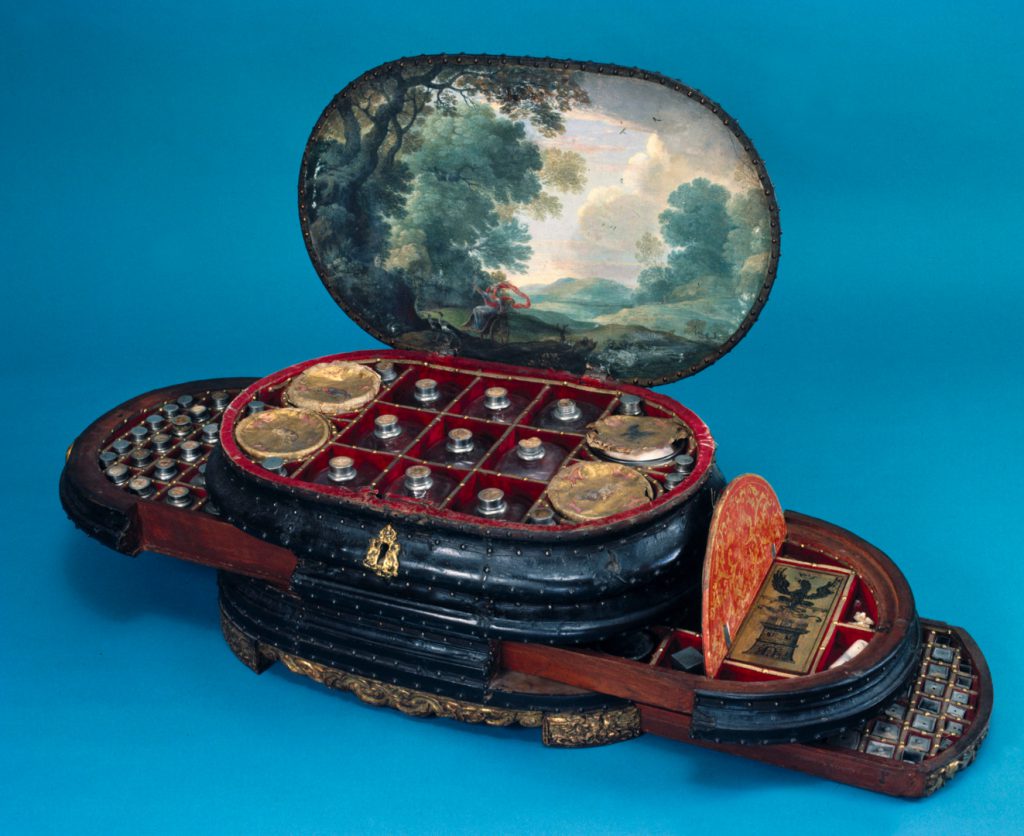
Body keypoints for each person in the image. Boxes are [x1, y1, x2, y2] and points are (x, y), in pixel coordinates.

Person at [461, 273, 530, 335]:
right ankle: (475, 325)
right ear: (489, 292)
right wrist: (475, 286)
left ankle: (479, 327)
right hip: (487, 307)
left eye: (492, 292)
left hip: (493, 310)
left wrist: (501, 310)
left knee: (480, 311)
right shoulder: (486, 295)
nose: (491, 293)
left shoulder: (497, 298)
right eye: (490, 292)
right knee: (476, 309)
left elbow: (500, 306)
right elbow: (480, 291)